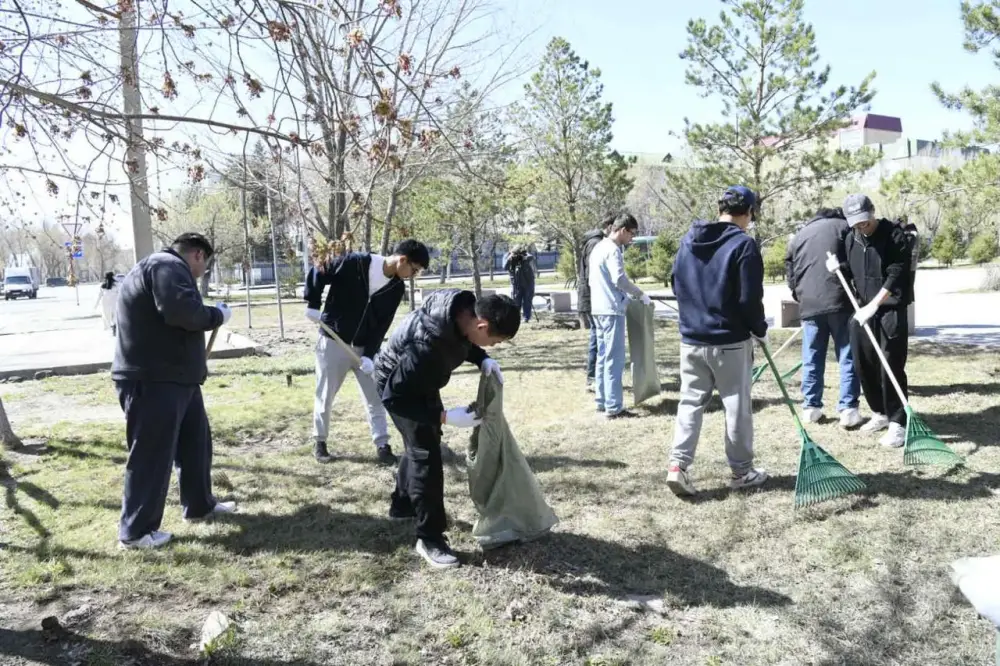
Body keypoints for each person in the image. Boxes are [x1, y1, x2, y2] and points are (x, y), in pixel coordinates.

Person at [373, 289, 520, 569]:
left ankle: (402, 504)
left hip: (420, 380)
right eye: (495, 342)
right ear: (482, 326)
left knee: (423, 443)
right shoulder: (426, 346)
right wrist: (443, 416)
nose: (494, 347)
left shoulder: (463, 311)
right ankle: (429, 539)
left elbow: (463, 341)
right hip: (397, 385)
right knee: (426, 456)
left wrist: (481, 358)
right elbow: (395, 398)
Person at [111, 232, 234, 550]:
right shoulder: (167, 265)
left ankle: (199, 505)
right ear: (197, 255)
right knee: (152, 454)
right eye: (204, 263)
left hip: (177, 378)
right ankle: (136, 532)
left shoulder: (164, 267)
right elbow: (182, 312)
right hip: (153, 381)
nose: (202, 270)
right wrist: (217, 315)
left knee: (196, 444)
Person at [666, 186, 769, 496]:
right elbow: (750, 298)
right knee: (736, 406)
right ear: (749, 212)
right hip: (729, 341)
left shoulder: (688, 240)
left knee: (690, 402)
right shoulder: (744, 245)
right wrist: (759, 329)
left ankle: (677, 465)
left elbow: (675, 283)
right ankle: (741, 472)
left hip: (692, 339)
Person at [304, 239, 430, 465]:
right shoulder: (356, 262)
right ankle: (320, 442)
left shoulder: (396, 288)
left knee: (376, 398)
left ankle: (382, 445)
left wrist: (370, 355)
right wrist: (313, 303)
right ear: (403, 260)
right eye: (414, 269)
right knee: (325, 395)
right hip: (334, 340)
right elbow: (319, 270)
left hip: (364, 349)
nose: (413, 275)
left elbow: (382, 324)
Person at [825, 194, 913, 448]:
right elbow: (852, 271)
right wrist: (837, 267)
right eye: (856, 223)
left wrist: (876, 304)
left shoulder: (894, 235)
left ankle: (898, 422)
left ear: (873, 212)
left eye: (865, 221)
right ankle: (880, 413)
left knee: (890, 364)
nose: (861, 227)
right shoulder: (852, 238)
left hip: (889, 309)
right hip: (863, 309)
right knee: (863, 361)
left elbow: (896, 273)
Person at [785, 207, 863, 428]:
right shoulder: (844, 228)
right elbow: (857, 260)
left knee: (812, 356)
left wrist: (797, 293)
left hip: (809, 303)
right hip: (841, 300)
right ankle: (848, 408)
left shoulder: (799, 235)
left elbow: (789, 268)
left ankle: (811, 406)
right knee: (847, 354)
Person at [588, 210, 651, 419]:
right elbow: (620, 280)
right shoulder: (613, 250)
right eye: (632, 234)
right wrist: (639, 293)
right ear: (622, 230)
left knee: (602, 357)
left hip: (597, 308)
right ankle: (614, 407)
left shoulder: (598, 248)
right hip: (612, 309)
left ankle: (601, 400)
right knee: (614, 359)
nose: (632, 238)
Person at [577, 214, 615, 391]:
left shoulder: (594, 241)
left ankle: (596, 377)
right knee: (596, 337)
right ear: (608, 226)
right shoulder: (595, 243)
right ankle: (593, 378)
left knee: (597, 336)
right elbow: (596, 274)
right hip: (592, 296)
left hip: (591, 295)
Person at [504, 246, 536, 323]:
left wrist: (523, 256)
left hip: (528, 282)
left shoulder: (524, 254)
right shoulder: (507, 256)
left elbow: (531, 257)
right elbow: (505, 267)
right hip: (516, 283)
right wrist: (510, 257)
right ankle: (516, 318)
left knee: (527, 301)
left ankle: (526, 318)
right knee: (516, 302)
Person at [95, 271, 120, 336]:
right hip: (114, 301)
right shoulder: (117, 284)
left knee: (107, 316)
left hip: (105, 302)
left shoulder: (102, 285)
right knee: (115, 316)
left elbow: (99, 295)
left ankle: (112, 327)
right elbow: (120, 293)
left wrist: (96, 305)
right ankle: (114, 327)